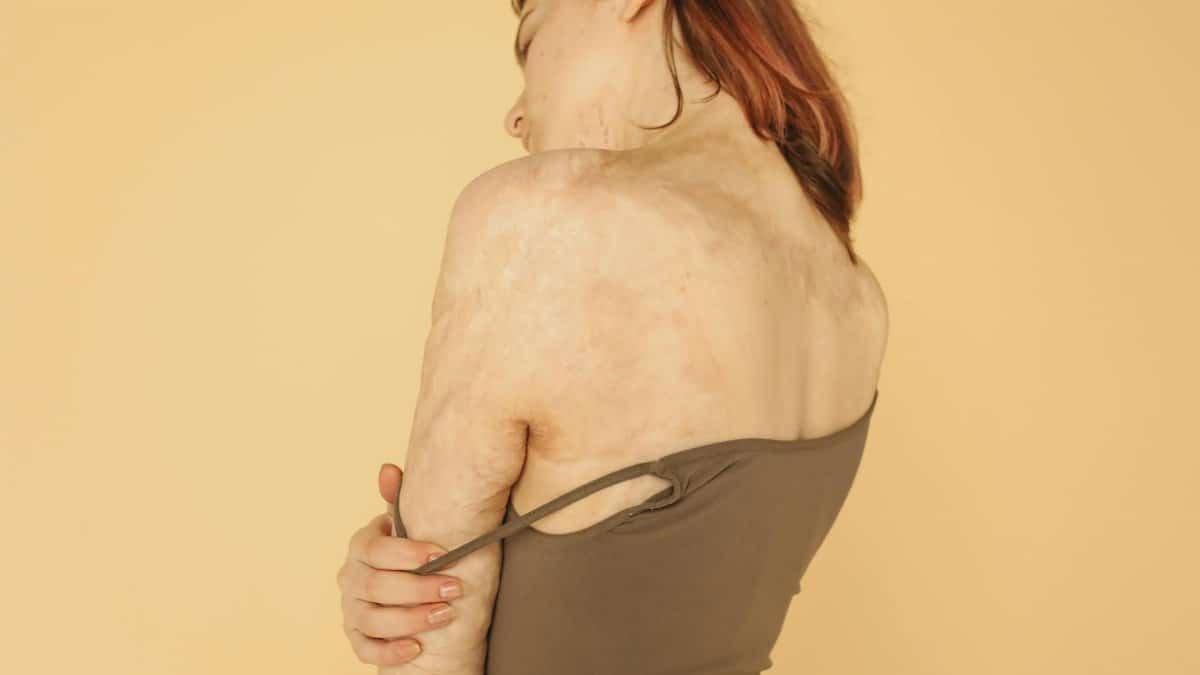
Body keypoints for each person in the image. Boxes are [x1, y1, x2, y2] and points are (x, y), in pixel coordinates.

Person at [334, 0, 887, 672]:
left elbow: (423, 651)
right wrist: (392, 579)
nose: (514, 115)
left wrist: (400, 603)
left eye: (530, 39)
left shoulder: (542, 221)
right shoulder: (854, 296)